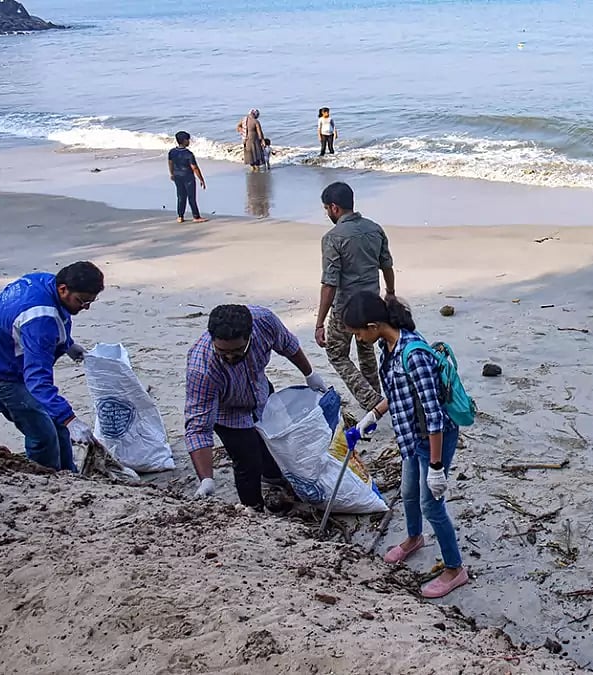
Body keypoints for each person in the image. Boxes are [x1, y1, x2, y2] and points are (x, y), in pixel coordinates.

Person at [345, 292, 468, 599]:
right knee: (408, 491)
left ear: (373, 325)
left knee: (431, 504)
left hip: (432, 440)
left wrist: (437, 468)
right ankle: (414, 538)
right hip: (410, 437)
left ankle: (455, 569)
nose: (358, 338)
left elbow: (434, 415)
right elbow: (398, 393)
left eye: (359, 332)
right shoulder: (389, 347)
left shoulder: (413, 354)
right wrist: (372, 415)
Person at [185, 304, 327, 509]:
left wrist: (310, 374)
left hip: (259, 391)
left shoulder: (264, 322)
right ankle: (253, 509)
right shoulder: (202, 367)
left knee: (275, 443)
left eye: (237, 350)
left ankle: (274, 478)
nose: (230, 357)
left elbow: (289, 345)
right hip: (227, 412)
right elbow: (199, 427)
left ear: (250, 336)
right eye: (222, 351)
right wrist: (206, 478)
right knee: (247, 462)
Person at [0, 262, 104, 471]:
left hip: (3, 352)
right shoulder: (40, 320)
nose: (86, 308)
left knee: (59, 424)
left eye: (90, 302)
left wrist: (66, 344)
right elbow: (38, 381)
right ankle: (47, 482)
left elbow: (57, 319)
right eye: (82, 301)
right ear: (63, 289)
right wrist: (71, 419)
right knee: (43, 434)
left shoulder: (46, 282)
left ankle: (68, 476)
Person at [315, 181, 395, 412]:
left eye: (327, 209)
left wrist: (320, 322)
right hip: (372, 301)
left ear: (334, 208)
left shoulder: (333, 237)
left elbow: (330, 283)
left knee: (337, 353)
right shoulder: (374, 228)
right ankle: (375, 393)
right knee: (366, 349)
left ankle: (372, 400)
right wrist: (390, 293)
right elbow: (387, 265)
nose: (328, 213)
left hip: (346, 306)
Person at [167, 131, 208, 223]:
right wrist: (201, 179)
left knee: (180, 196)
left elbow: (170, 163)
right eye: (188, 140)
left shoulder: (172, 152)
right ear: (184, 141)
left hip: (177, 175)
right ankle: (196, 216)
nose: (189, 141)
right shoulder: (188, 154)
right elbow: (194, 167)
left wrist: (172, 173)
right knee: (191, 197)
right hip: (187, 176)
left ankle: (180, 216)